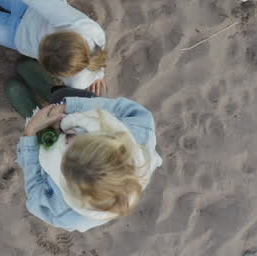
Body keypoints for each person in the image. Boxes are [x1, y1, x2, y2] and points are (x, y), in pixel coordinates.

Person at [8, 82, 162, 233]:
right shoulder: (140, 137)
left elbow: (36, 192)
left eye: (68, 140)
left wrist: (30, 131)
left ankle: (31, 110)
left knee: (40, 133)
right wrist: (67, 107)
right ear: (109, 138)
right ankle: (50, 91)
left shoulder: (66, 215)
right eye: (74, 137)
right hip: (85, 115)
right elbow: (125, 109)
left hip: (42, 150)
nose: (65, 138)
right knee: (61, 95)